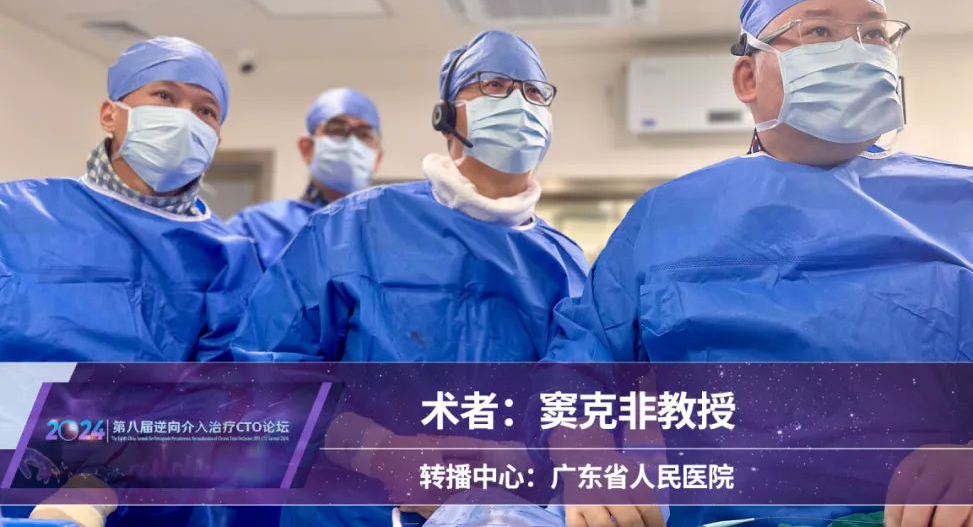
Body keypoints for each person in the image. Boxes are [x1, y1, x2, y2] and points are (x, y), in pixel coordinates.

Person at [549, 0, 973, 527]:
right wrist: (589, 458)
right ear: (748, 77)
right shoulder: (666, 220)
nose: (855, 51)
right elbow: (580, 365)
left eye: (874, 35)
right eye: (819, 31)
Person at [231, 29, 633, 526]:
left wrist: (531, 459)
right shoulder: (351, 229)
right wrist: (371, 448)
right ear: (446, 116)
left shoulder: (565, 264)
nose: (518, 103)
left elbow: (584, 393)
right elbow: (266, 374)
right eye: (494, 85)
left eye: (534, 92)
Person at [0, 36, 262, 525]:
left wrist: (94, 491)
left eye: (205, 111)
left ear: (217, 137)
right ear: (110, 114)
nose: (184, 118)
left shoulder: (230, 259)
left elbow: (221, 400)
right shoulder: (13, 214)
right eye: (164, 96)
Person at [226, 87, 383, 268]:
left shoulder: (390, 236)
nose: (351, 143)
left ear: (377, 157)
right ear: (307, 147)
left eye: (363, 135)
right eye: (337, 130)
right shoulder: (255, 228)